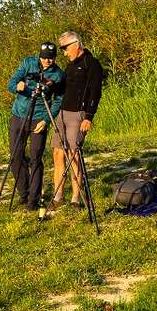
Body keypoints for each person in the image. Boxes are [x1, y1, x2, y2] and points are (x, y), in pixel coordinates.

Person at [6, 41, 65, 218]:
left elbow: (58, 100)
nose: (47, 61)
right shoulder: (27, 63)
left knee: (35, 158)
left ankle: (33, 199)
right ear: (39, 56)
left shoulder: (58, 75)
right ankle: (23, 193)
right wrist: (18, 87)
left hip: (39, 118)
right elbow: (11, 83)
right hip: (19, 115)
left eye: (51, 58)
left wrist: (47, 120)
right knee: (15, 156)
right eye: (44, 57)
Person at [52, 30, 105, 209]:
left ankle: (76, 197)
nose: (64, 53)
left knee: (73, 154)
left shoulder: (92, 64)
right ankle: (58, 195)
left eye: (65, 49)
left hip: (78, 115)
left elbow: (95, 92)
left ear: (75, 44)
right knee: (58, 152)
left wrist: (88, 116)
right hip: (62, 113)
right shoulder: (70, 66)